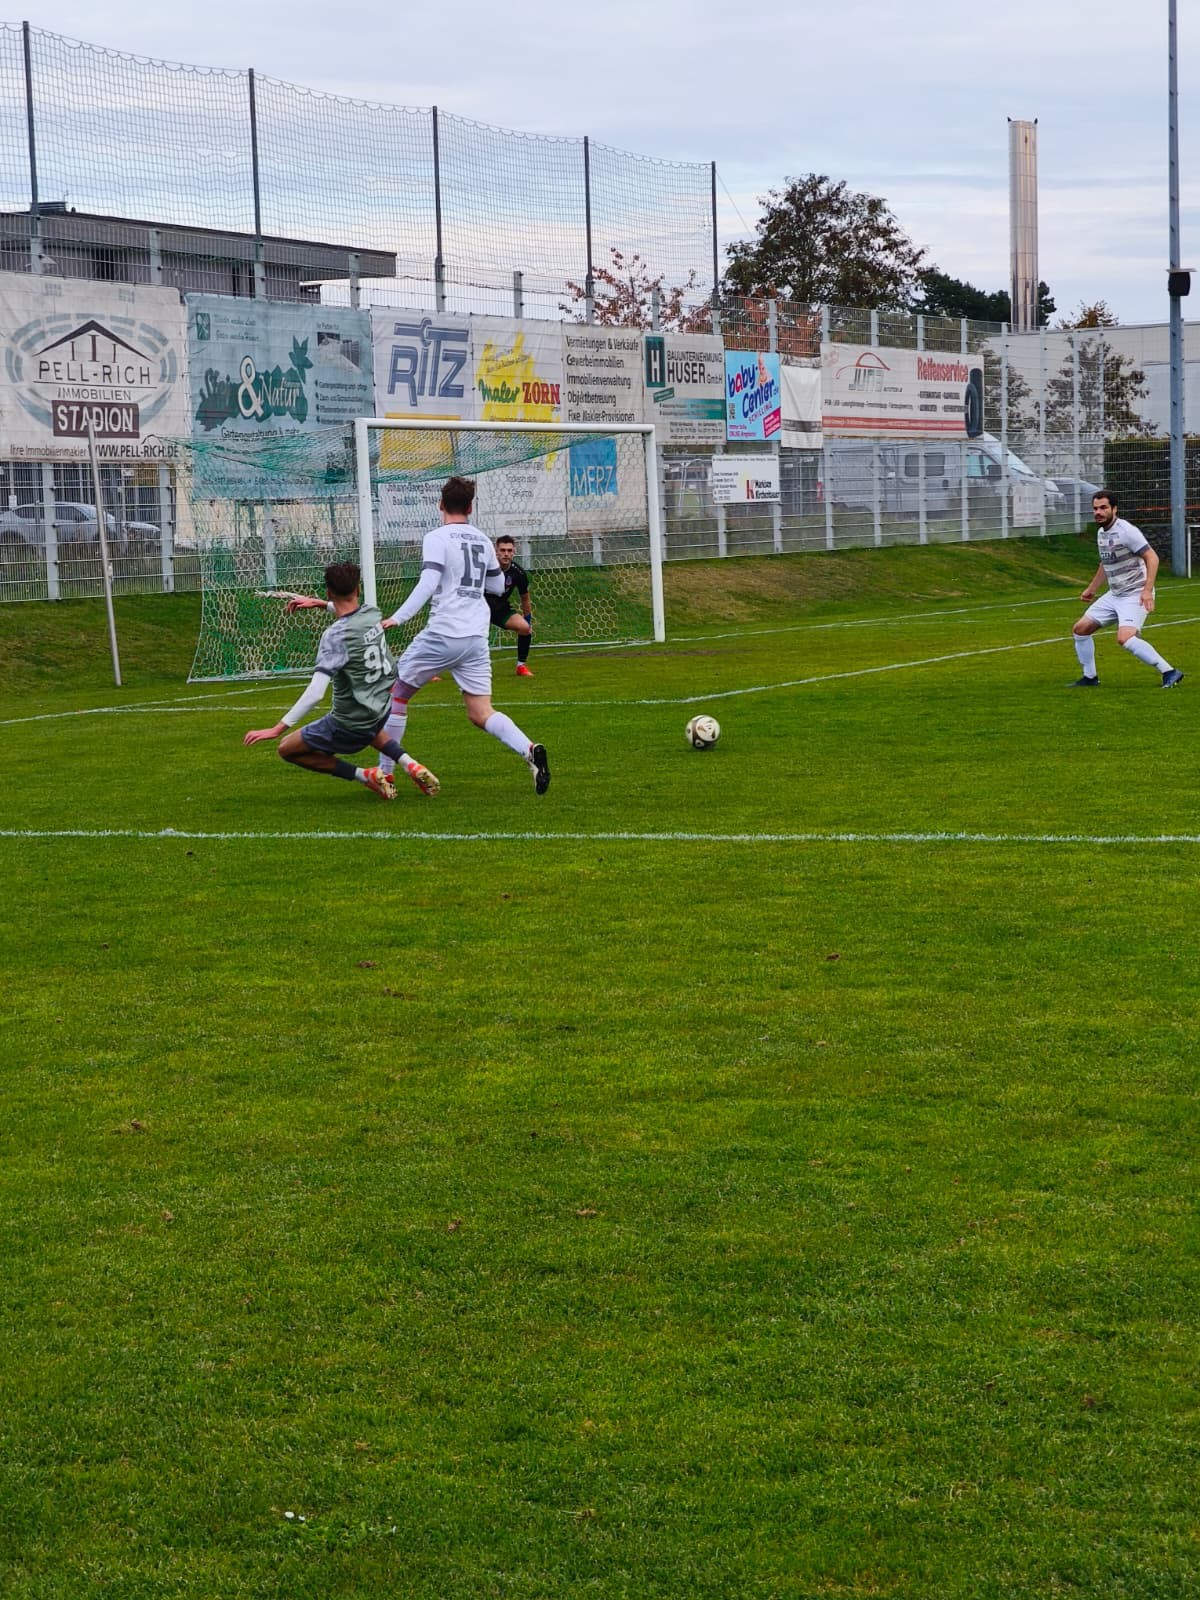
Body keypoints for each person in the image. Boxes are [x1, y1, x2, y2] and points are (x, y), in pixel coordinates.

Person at [242, 560, 440, 799]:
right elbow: (347, 611)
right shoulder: (371, 613)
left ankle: (364, 775)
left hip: (349, 723)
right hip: (381, 708)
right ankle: (410, 763)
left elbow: (315, 694)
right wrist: (318, 604)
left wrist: (277, 728)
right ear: (358, 589)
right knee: (368, 725)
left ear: (328, 592)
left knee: (287, 749)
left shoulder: (335, 636)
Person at [1070, 489, 1184, 689]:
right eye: (1095, 509)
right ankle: (1090, 678)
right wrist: (1092, 588)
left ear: (1114, 509)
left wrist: (1147, 591)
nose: (1098, 512)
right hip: (1115, 594)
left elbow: (1152, 557)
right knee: (1080, 629)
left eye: (1103, 508)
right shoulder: (1101, 533)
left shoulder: (1127, 531)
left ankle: (1169, 672)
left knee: (1125, 638)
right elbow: (1105, 563)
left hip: (1135, 593)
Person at [489, 535, 535, 676]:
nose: (506, 554)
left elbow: (525, 599)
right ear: (496, 551)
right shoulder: (486, 567)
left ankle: (521, 666)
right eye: (502, 550)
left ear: (514, 552)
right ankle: (432, 668)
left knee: (525, 628)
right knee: (459, 635)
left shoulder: (518, 572)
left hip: (500, 609)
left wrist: (528, 621)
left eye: (509, 550)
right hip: (480, 608)